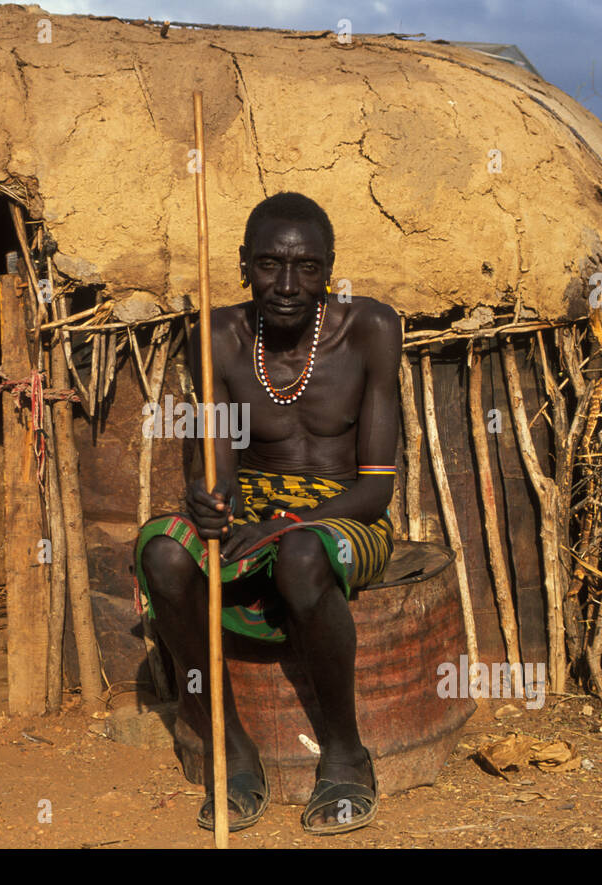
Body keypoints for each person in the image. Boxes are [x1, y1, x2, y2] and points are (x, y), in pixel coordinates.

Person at [133, 191, 403, 835]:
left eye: (307, 267)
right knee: (163, 552)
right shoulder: (219, 337)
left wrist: (288, 526)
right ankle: (232, 754)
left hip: (345, 516)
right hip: (254, 513)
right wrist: (211, 499)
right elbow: (221, 468)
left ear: (330, 269)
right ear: (243, 266)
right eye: (269, 266)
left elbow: (376, 490)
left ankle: (345, 756)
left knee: (303, 556)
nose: (287, 285)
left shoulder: (370, 328)